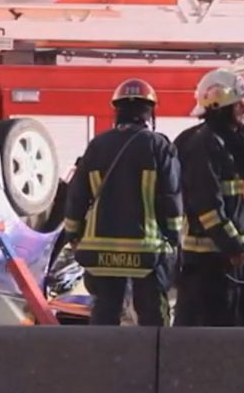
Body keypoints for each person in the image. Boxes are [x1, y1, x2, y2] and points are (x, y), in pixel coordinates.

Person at [63, 78, 183, 326]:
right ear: (149, 112)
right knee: (152, 312)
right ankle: (155, 361)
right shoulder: (158, 145)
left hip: (102, 249)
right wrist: (173, 236)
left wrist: (72, 233)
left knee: (106, 311)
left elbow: (77, 194)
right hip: (146, 249)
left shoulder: (97, 145)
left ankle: (102, 361)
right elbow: (171, 196)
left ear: (117, 110)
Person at [174, 66, 244, 327]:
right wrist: (232, 244)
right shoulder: (202, 144)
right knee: (214, 334)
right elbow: (206, 203)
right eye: (239, 104)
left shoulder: (235, 142)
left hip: (241, 256)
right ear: (220, 106)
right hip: (211, 260)